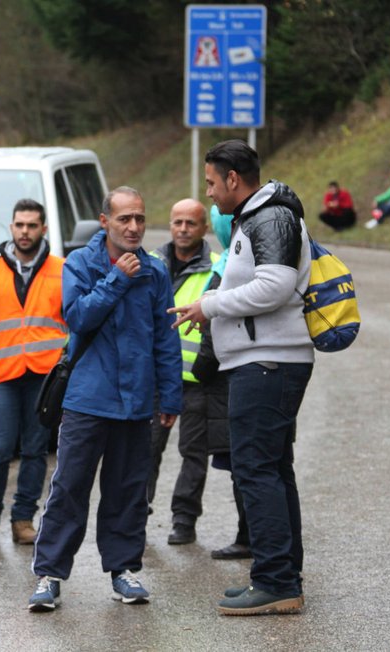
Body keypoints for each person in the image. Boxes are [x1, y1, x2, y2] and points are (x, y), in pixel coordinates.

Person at [170, 140, 314, 616]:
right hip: (265, 360)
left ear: (234, 179)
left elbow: (273, 286)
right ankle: (283, 576)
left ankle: (274, 579)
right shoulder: (257, 216)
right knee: (272, 468)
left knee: (256, 469)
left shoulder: (269, 216)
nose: (208, 192)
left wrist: (208, 305)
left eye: (212, 182)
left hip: (267, 363)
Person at [28, 186, 181, 612]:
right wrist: (118, 279)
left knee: (129, 490)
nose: (133, 227)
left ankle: (124, 571)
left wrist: (169, 396)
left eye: (139, 219)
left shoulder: (156, 271)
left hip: (136, 404)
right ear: (105, 221)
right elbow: (77, 317)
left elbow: (165, 340)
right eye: (124, 219)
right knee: (69, 488)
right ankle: (49, 575)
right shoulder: (81, 263)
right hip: (86, 401)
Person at [0, 198, 66, 547]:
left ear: (43, 229)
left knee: (36, 450)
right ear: (11, 227)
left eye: (32, 225)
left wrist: (69, 368)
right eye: (19, 225)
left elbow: (75, 321)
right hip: (3, 373)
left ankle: (23, 519)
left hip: (43, 374)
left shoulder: (62, 269)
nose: (25, 231)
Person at [147, 198, 219, 546]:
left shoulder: (217, 268)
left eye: (191, 223)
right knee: (145, 450)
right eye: (177, 222)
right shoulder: (150, 264)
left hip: (196, 378)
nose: (183, 229)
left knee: (194, 452)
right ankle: (136, 512)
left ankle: (184, 519)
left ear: (205, 228)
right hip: (156, 378)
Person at [193, 205, 251, 561]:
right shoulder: (240, 258)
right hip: (241, 377)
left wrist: (200, 369)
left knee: (246, 467)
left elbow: (214, 328)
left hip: (230, 380)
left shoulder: (229, 266)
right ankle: (253, 536)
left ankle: (252, 538)